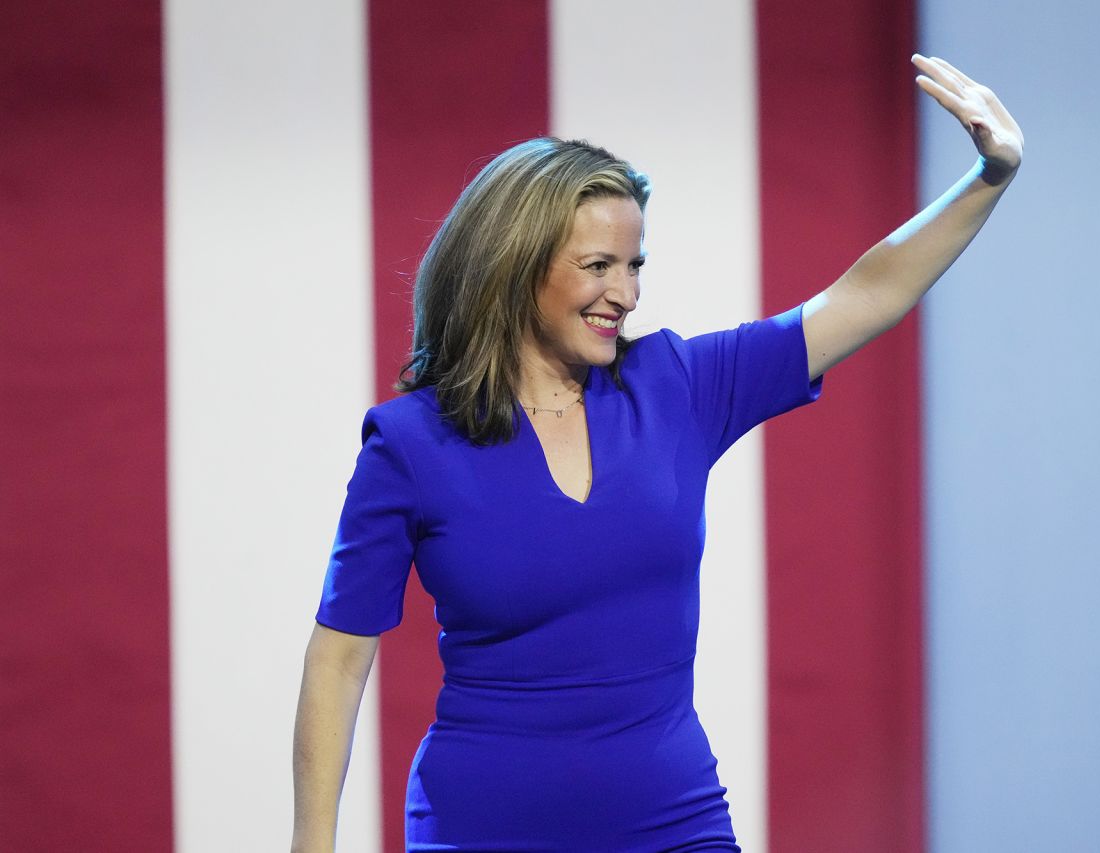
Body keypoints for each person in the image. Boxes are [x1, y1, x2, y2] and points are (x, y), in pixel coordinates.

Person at [292, 53, 1023, 852]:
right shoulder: (408, 443)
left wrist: (988, 177)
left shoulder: (675, 383)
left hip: (671, 822)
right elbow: (338, 661)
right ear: (514, 267)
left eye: (634, 265)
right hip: (483, 826)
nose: (627, 293)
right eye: (598, 266)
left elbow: (865, 293)